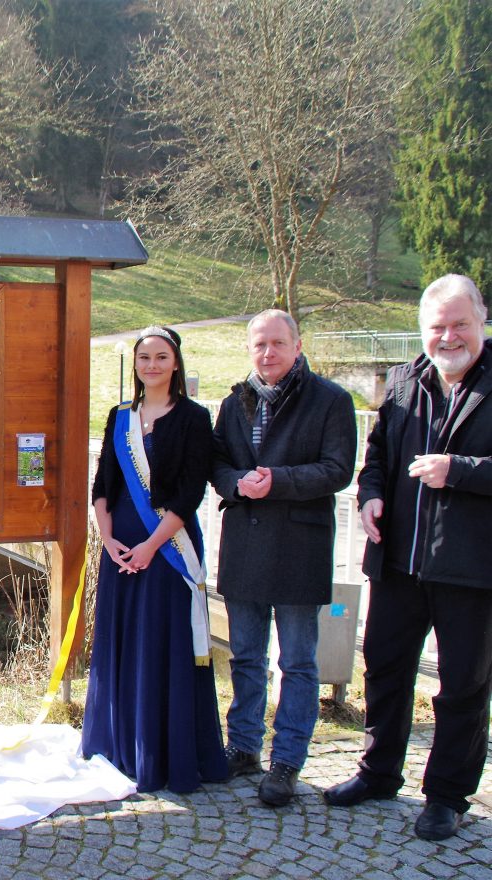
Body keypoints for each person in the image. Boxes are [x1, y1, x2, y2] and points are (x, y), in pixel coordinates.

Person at [322, 274, 492, 841]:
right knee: (387, 669)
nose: (448, 337)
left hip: (472, 569)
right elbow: (376, 459)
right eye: (437, 327)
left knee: (462, 685)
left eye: (459, 324)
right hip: (397, 562)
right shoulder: (402, 382)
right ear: (422, 331)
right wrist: (370, 497)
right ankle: (378, 772)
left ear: (481, 320)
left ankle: (446, 796)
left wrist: (460, 472)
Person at [210, 310, 356, 806]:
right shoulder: (235, 402)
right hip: (246, 545)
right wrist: (235, 483)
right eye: (259, 345)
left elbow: (337, 469)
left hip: (300, 547)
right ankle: (244, 747)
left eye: (277, 343)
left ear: (297, 345)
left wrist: (277, 481)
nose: (267, 353)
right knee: (247, 657)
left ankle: (287, 761)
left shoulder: (331, 400)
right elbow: (218, 464)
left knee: (297, 662)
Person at [81, 325, 227, 793]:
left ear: (176, 363)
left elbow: (189, 495)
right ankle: (121, 744)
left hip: (167, 552)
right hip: (121, 550)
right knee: (122, 644)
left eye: (161, 357)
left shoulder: (195, 418)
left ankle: (164, 753)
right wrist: (107, 538)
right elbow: (104, 483)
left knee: (164, 647)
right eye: (144, 357)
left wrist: (149, 547)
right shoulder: (119, 416)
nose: (151, 365)